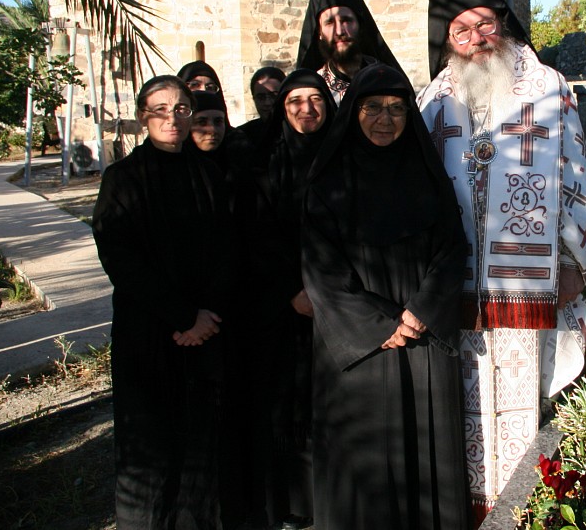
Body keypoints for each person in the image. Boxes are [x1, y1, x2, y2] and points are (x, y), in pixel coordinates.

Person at [418, 0, 586, 522]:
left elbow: (579, 176)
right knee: (463, 412)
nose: (476, 38)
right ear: (447, 42)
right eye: (461, 31)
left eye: (485, 24)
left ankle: (524, 512)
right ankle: (470, 515)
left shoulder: (546, 85)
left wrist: (574, 264)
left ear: (504, 24)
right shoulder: (432, 99)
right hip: (456, 287)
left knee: (525, 406)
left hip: (527, 282)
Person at [301, 63, 470, 529]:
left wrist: (421, 309)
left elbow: (453, 248)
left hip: (421, 339)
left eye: (397, 109)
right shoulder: (327, 184)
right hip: (359, 349)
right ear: (353, 112)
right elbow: (321, 270)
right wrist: (382, 324)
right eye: (372, 107)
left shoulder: (428, 176)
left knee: (427, 455)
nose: (385, 118)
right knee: (364, 461)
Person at [92, 75, 234, 530]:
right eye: (160, 108)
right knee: (151, 453)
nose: (172, 117)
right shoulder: (123, 178)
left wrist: (206, 316)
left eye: (180, 108)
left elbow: (227, 249)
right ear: (142, 118)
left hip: (206, 331)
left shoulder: (208, 173)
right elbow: (121, 257)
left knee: (198, 448)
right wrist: (181, 316)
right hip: (149, 334)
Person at [223, 69, 337, 530]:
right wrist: (292, 290)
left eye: (316, 100)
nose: (307, 110)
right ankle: (290, 502)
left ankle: (331, 498)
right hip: (280, 307)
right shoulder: (262, 163)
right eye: (296, 101)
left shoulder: (343, 155)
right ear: (282, 108)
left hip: (335, 303)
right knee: (283, 405)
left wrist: (326, 288)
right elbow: (254, 235)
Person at [295, 0, 401, 104]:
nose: (339, 31)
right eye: (329, 23)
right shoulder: (311, 90)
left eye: (346, 21)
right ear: (319, 32)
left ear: (360, 25)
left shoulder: (389, 80)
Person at [236, 66, 286, 148]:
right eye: (261, 97)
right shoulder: (242, 135)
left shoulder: (300, 131)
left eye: (274, 95)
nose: (267, 103)